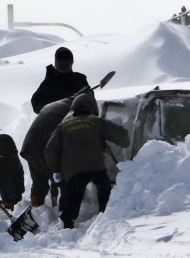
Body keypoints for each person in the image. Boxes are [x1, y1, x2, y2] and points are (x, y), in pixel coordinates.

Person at [45, 93, 130, 229]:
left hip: (73, 171)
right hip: (96, 167)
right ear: (91, 107)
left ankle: (68, 223)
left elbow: (49, 150)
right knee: (104, 190)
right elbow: (123, 138)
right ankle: (105, 217)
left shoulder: (61, 127)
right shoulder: (97, 122)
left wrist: (56, 170)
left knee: (73, 195)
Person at [31, 47, 90, 114]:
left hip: (79, 119)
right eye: (62, 60)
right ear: (56, 61)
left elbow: (90, 99)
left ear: (72, 61)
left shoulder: (80, 79)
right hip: (57, 121)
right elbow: (36, 103)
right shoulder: (49, 83)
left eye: (67, 59)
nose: (65, 62)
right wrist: (49, 110)